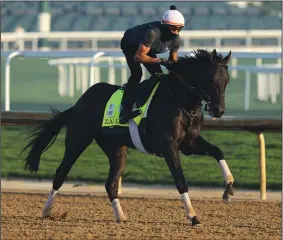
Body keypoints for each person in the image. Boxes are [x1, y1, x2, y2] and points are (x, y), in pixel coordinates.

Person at [119, 5, 185, 124]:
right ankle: (124, 109)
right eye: (173, 28)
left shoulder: (177, 40)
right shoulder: (152, 33)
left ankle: (151, 105)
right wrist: (160, 61)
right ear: (165, 25)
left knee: (158, 76)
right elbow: (138, 57)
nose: (176, 32)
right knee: (137, 74)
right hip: (131, 45)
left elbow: (173, 61)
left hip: (148, 48)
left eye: (179, 29)